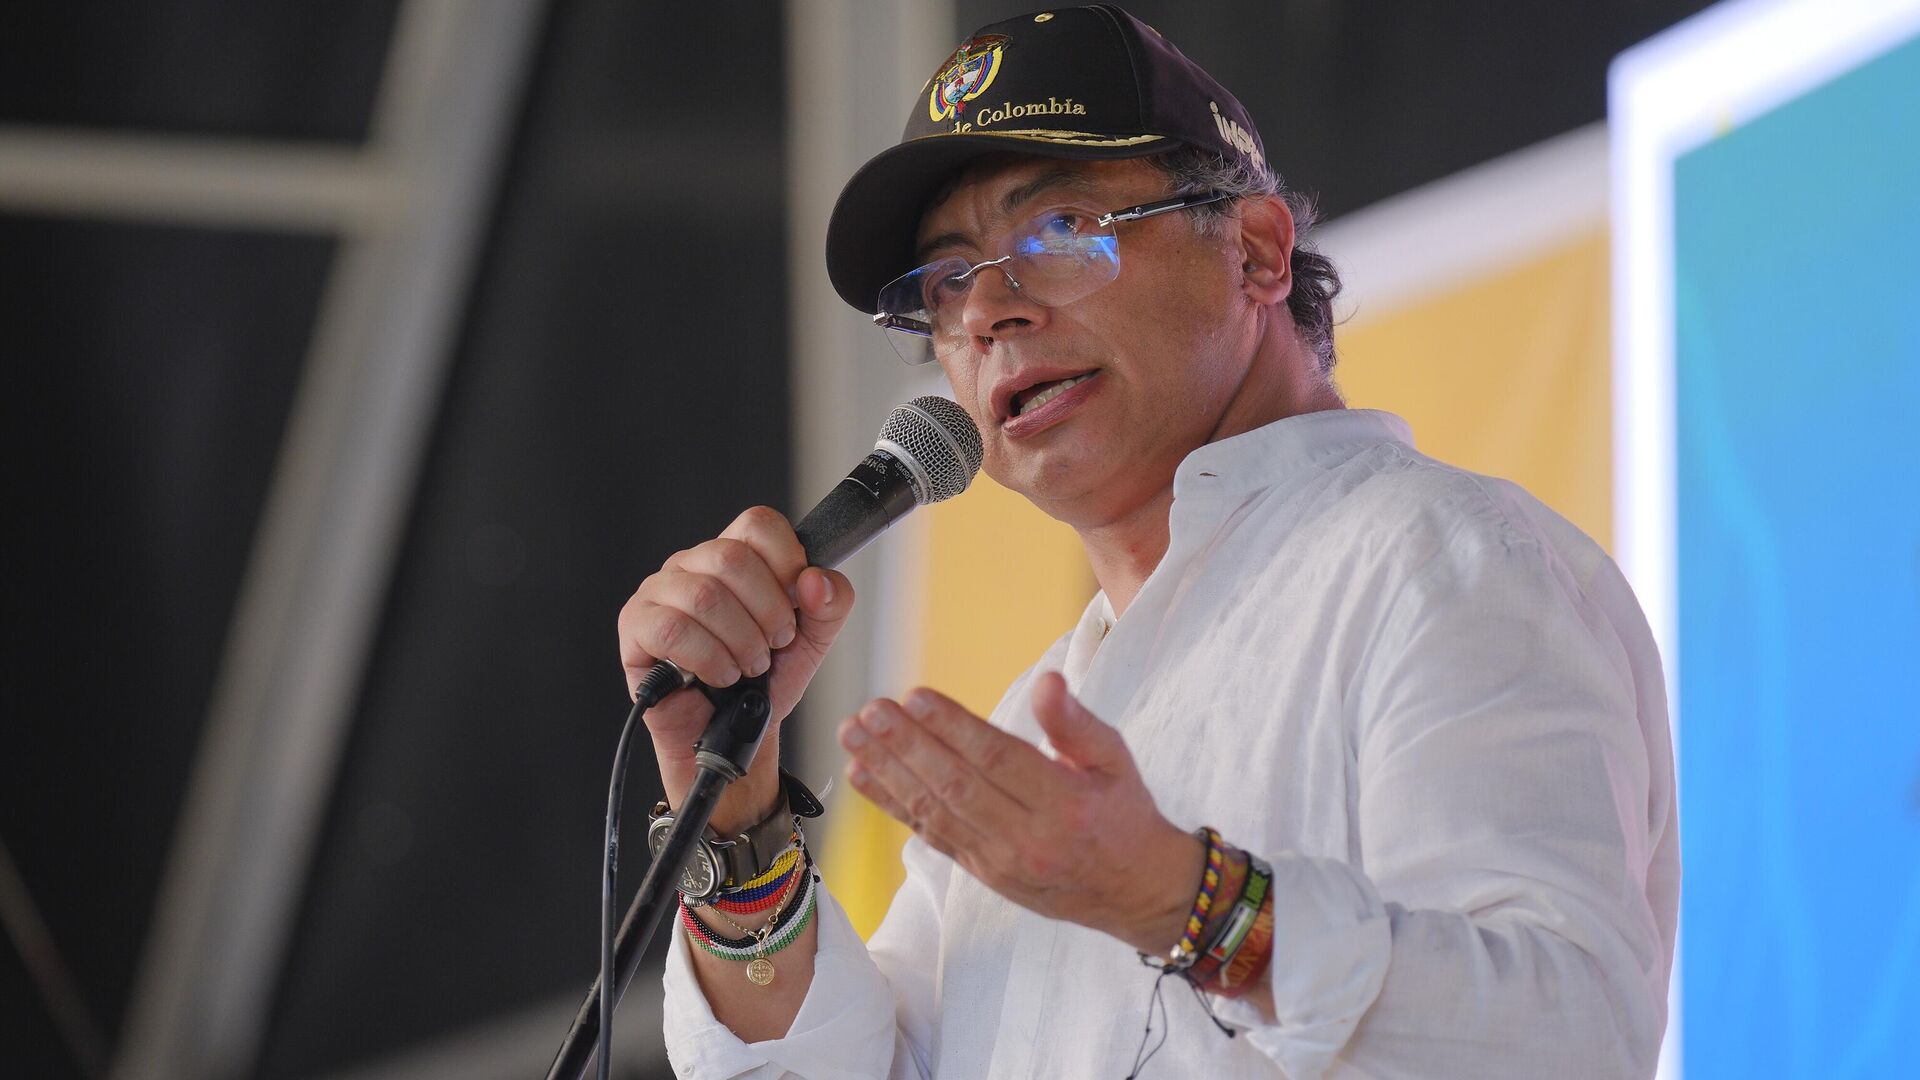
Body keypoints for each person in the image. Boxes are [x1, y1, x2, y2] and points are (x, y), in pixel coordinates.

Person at [617, 6, 1677, 1077]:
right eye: (945, 282)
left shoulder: (1441, 559)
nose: (984, 313)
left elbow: (1561, 1036)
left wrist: (1189, 905)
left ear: (1255, 252)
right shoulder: (1029, 737)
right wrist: (737, 824)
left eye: (1060, 231)